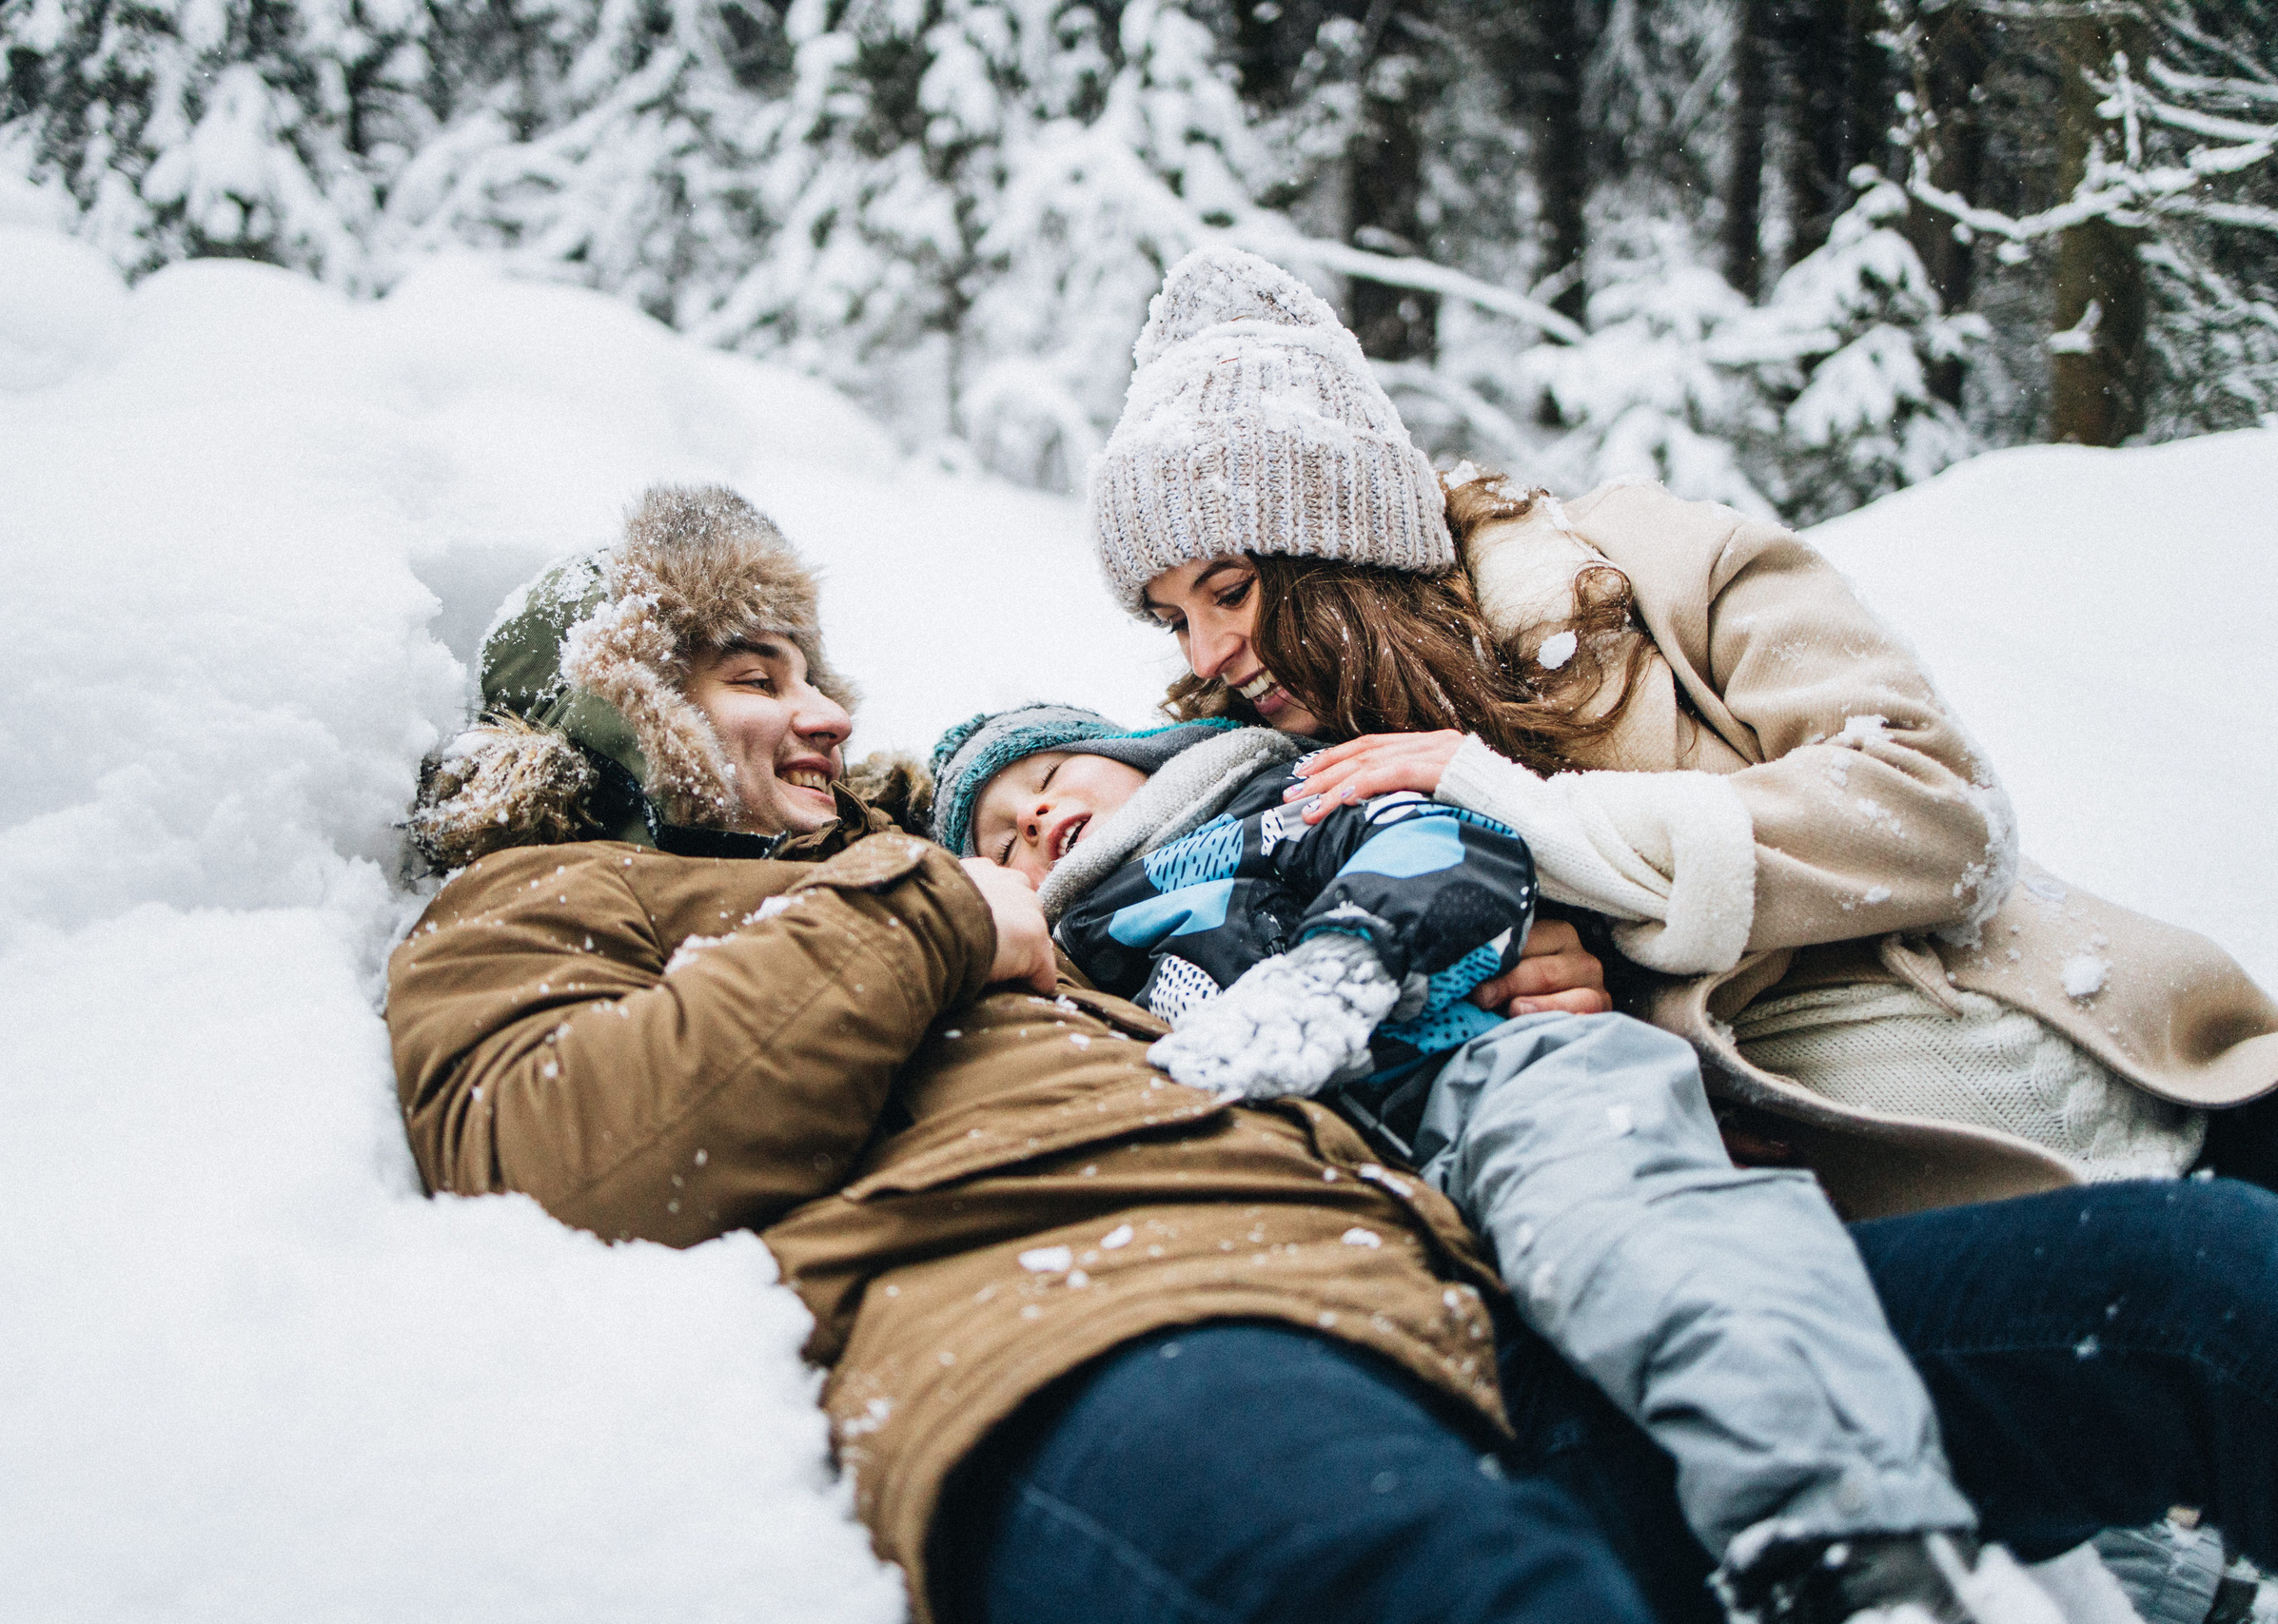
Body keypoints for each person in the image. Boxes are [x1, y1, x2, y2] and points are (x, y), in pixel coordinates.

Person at [386, 481, 2278, 1624]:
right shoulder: (562, 901)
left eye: (813, 671)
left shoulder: (1012, 829)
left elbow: (1265, 817)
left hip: (1497, 1319)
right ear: (613, 717)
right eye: (748, 677)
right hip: (1113, 1328)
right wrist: (943, 917)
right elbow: (569, 1146)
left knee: (2213, 1291)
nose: (819, 711)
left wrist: (1500, 952)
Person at [1085, 243, 2278, 1217]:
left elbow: (1934, 814)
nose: (1206, 657)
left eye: (1230, 590)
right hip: (1864, 1212)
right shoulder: (1278, 780)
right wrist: (1567, 989)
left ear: (1336, 550)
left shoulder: (1654, 564)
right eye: (1171, 617)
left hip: (2101, 1075)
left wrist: (1542, 820)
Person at [928, 701, 2039, 1616]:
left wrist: (1350, 956)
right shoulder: (1071, 959)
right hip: (1357, 1174)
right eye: (996, 838)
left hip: (1490, 1069)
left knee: (1635, 1234)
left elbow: (1448, 843)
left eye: (1048, 775)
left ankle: (1856, 1535)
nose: (1031, 819)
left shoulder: (1273, 797)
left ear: (1136, 757)